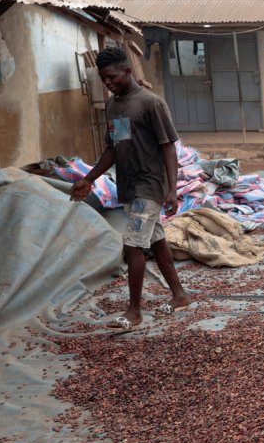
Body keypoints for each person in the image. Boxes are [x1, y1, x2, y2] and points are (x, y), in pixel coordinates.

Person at [70, 46, 189, 331]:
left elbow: (168, 147)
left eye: (112, 76)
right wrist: (90, 178)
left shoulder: (150, 103)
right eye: (103, 78)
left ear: (128, 71)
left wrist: (172, 189)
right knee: (156, 240)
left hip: (149, 185)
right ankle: (179, 295)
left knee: (133, 246)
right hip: (128, 185)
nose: (107, 82)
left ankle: (134, 312)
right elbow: (114, 148)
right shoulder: (114, 105)